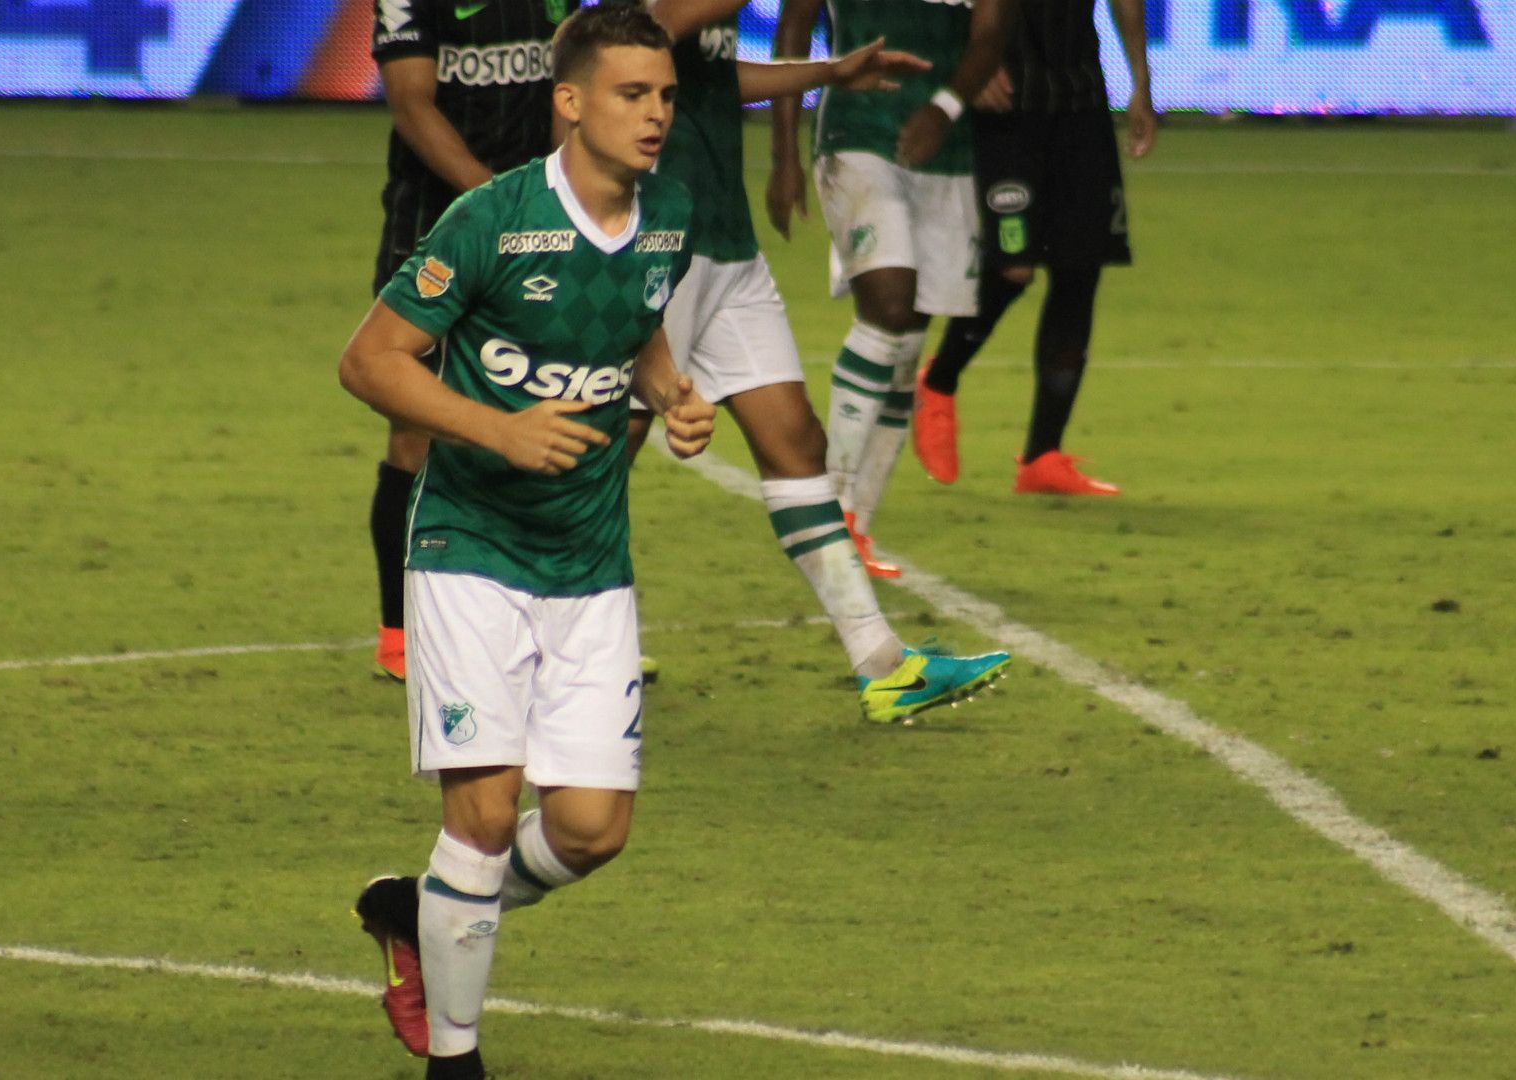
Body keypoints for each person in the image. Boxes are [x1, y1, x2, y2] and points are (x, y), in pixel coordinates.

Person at [337, 8, 712, 1077]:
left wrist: (676, 396)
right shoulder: (490, 220)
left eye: (667, 97)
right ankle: (456, 1058)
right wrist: (495, 427)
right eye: (633, 95)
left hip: (590, 561)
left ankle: (423, 914)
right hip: (469, 551)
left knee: (592, 831)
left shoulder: (668, 218)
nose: (654, 116)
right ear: (571, 101)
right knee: (488, 816)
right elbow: (371, 362)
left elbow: (634, 319)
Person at [634, 0, 1012, 722]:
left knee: (797, 444)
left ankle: (884, 663)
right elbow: (647, 33)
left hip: (725, 239)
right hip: (657, 233)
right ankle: (547, 637)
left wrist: (829, 70)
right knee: (603, 447)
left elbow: (712, 73)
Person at [365, 0, 582, 681]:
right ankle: (400, 634)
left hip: (535, 237)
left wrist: (555, 201)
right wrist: (493, 202)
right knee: (416, 433)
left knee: (544, 412)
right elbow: (412, 103)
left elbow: (564, 95)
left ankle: (548, 618)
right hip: (433, 231)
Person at [768, 0, 1012, 559]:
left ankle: (858, 523)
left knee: (907, 345)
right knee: (890, 309)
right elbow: (795, 25)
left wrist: (945, 109)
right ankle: (832, 509)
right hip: (857, 134)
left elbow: (990, 34)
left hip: (946, 151)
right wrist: (784, 153)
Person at [913, 0, 1157, 495]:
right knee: (1013, 267)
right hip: (1006, 104)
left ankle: (1043, 455)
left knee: (1080, 269)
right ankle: (937, 383)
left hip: (1080, 101)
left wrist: (1141, 83)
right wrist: (966, 69)